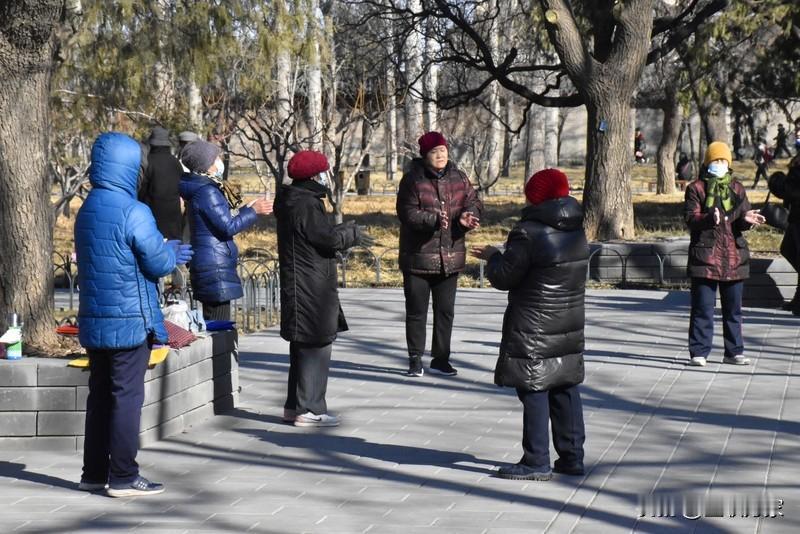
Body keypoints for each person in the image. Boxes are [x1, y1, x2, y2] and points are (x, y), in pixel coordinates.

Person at [75, 132, 193, 497]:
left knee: (99, 397)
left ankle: (94, 473)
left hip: (95, 318)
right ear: (129, 168)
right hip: (129, 320)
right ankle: (124, 476)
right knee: (126, 397)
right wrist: (169, 251)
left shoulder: (86, 209)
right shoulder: (134, 211)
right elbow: (157, 263)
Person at [471, 168, 588, 481]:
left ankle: (536, 460)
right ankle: (572, 457)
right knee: (564, 383)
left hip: (535, 322)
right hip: (569, 318)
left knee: (534, 386)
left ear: (536, 196)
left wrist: (494, 256)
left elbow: (505, 276)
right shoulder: (576, 227)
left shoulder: (528, 231)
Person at [274, 150, 374, 427]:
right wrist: (350, 233)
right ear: (314, 176)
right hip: (311, 286)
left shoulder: (294, 199)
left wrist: (344, 230)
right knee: (315, 344)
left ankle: (295, 406)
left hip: (304, 282)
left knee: (303, 345)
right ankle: (310, 409)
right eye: (324, 172)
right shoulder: (306, 204)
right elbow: (325, 239)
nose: (327, 177)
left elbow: (316, 236)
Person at [396, 131, 483, 377]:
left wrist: (468, 216)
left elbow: (474, 201)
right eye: (435, 152)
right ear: (425, 155)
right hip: (419, 257)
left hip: (450, 256)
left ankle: (441, 358)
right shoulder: (412, 180)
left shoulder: (459, 177)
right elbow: (407, 213)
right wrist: (433, 220)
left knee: (445, 312)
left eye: (443, 150)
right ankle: (415, 358)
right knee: (417, 311)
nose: (441, 155)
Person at [685, 141, 765, 367]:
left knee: (733, 310)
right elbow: (691, 219)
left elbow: (741, 218)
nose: (720, 164)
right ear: (707, 162)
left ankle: (734, 351)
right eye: (716, 160)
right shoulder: (696, 188)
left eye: (723, 160)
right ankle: (699, 352)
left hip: (733, 257)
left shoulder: (737, 188)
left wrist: (747, 220)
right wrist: (708, 218)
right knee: (703, 308)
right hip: (705, 257)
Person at [179, 140, 272, 321]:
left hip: (211, 260)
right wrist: (254, 211)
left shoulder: (202, 188)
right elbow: (228, 226)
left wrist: (246, 209)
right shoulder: (207, 191)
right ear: (207, 164)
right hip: (215, 265)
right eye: (216, 158)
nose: (220, 161)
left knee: (217, 324)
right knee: (219, 326)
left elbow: (220, 219)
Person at [767, 155, 800, 314]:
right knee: (788, 249)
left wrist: (778, 182)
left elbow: (792, 191)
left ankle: (798, 302)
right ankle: (798, 301)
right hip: (796, 218)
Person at [139, 126, 184, 240]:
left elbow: (142, 190)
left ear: (152, 144)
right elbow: (182, 186)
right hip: (173, 214)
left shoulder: (148, 162)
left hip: (152, 214)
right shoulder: (175, 162)